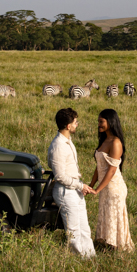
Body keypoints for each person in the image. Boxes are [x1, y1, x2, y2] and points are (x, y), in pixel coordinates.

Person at [47, 107, 96, 259]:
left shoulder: (67, 141)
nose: (77, 125)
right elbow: (60, 176)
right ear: (68, 126)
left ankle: (90, 257)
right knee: (73, 229)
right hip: (65, 191)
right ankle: (78, 258)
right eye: (75, 122)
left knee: (84, 227)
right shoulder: (58, 146)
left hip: (74, 188)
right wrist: (80, 185)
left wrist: (79, 185)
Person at [88, 108, 135, 252]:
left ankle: (117, 248)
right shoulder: (104, 140)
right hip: (105, 186)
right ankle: (109, 246)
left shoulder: (115, 142)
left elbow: (112, 170)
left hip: (114, 187)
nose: (99, 125)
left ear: (110, 122)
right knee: (107, 215)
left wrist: (97, 189)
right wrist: (91, 185)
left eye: (101, 122)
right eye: (98, 122)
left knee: (114, 216)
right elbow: (99, 167)